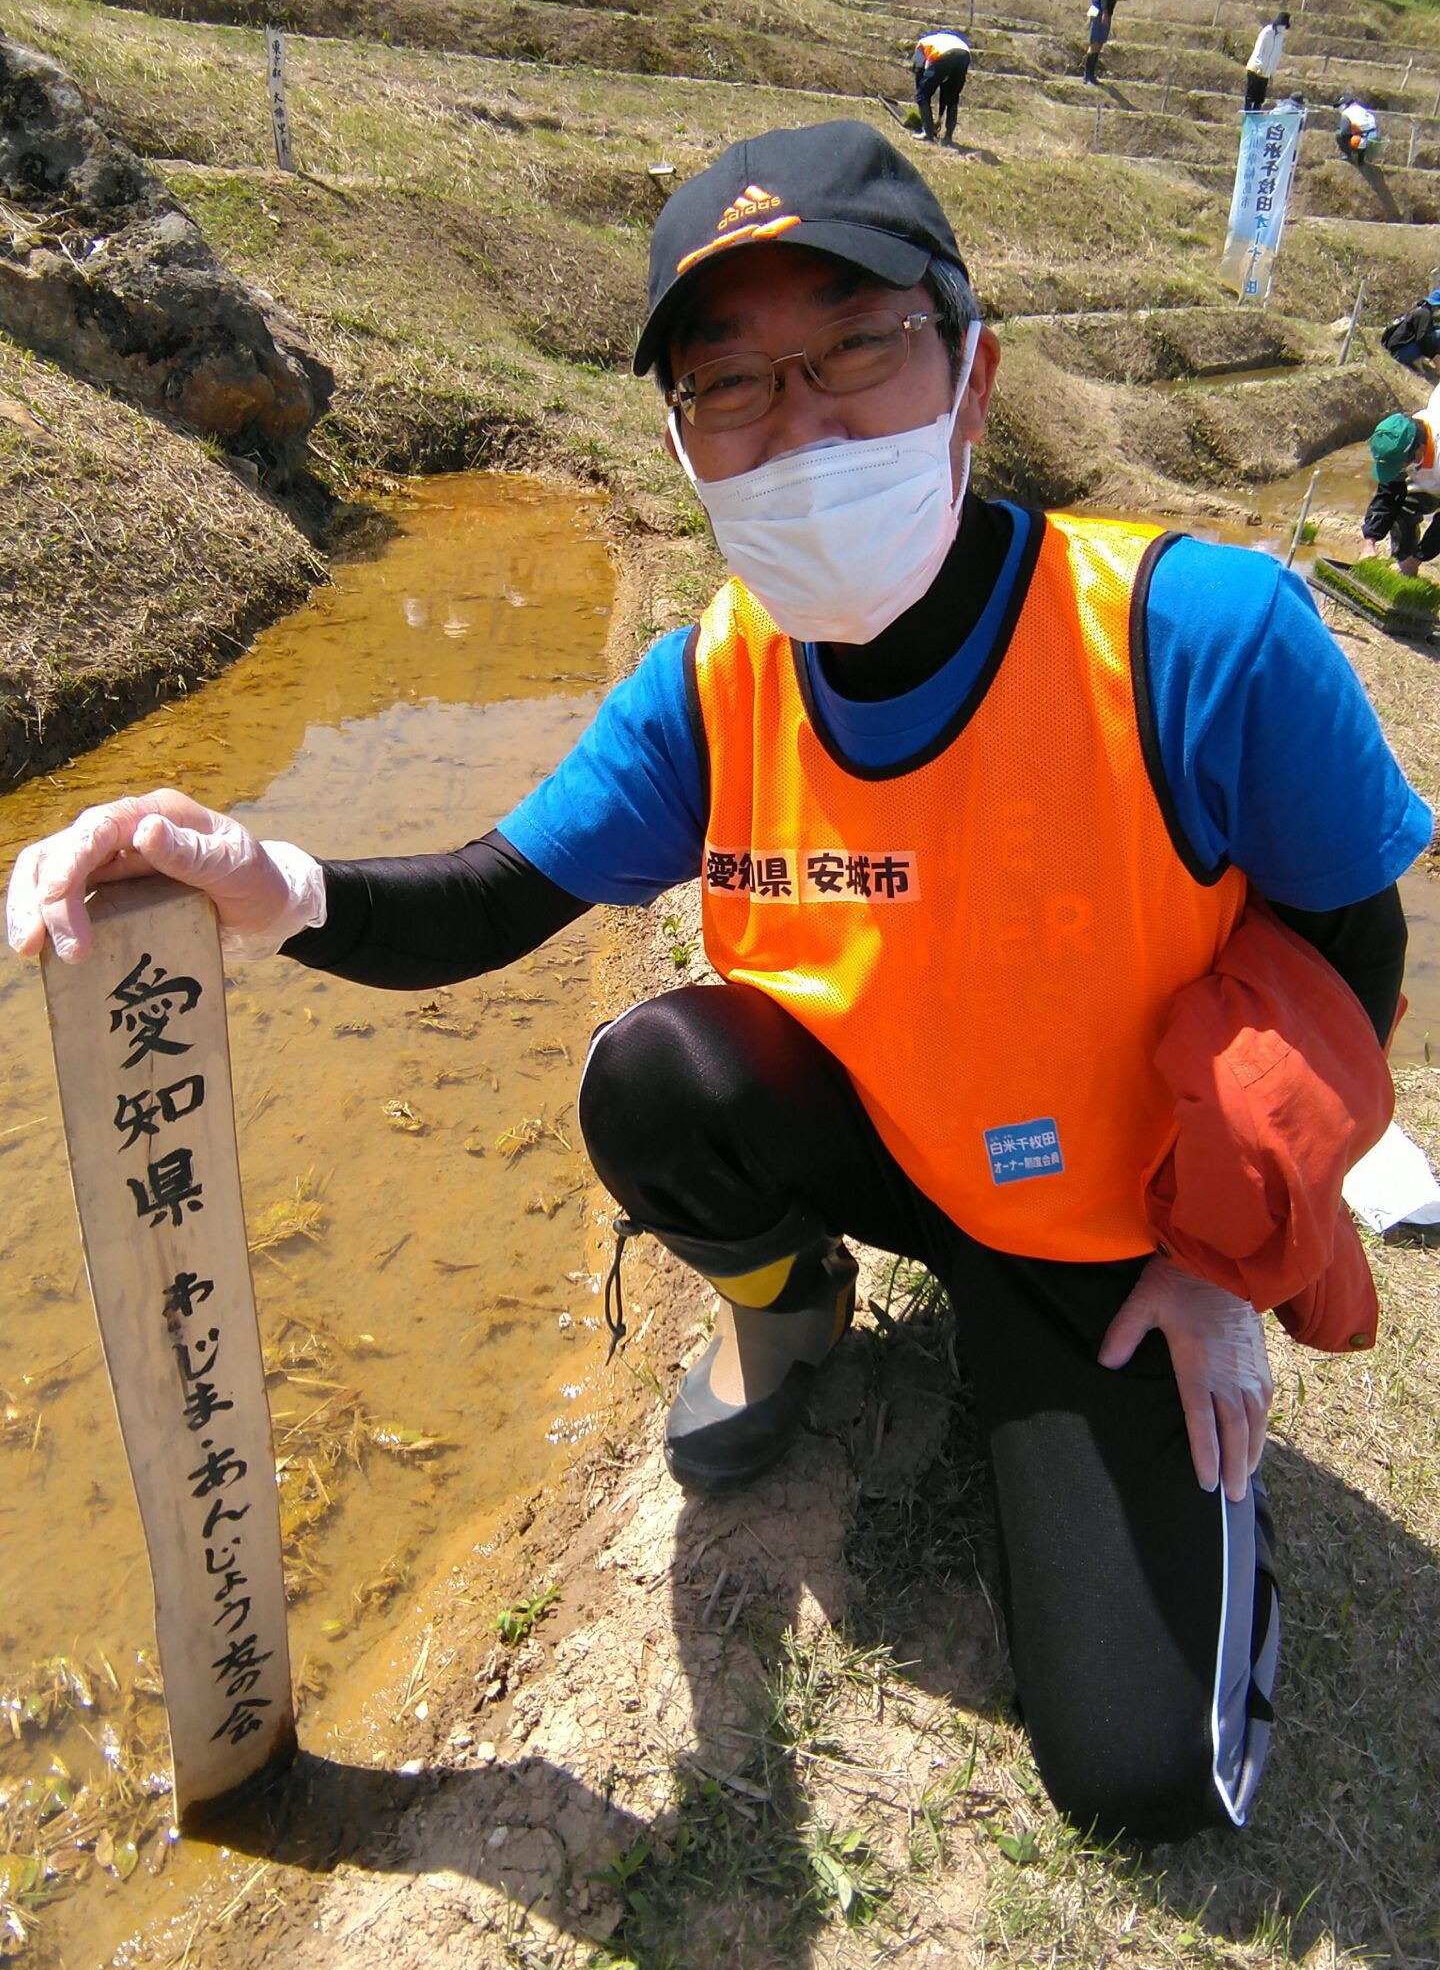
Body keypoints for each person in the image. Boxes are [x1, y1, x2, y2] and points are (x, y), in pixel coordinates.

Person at [11, 119, 1428, 1851]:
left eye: (853, 352)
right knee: (655, 1079)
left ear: (971, 379)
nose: (801, 423)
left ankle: (1080, 1377)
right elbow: (491, 895)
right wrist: (266, 883)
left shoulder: (1198, 638)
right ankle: (792, 1307)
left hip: (1112, 1219)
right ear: (684, 438)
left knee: (1142, 1780)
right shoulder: (715, 679)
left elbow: (1353, 944)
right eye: (733, 385)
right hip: (895, 1152)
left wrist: (1221, 1261)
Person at [1364, 400, 1440, 573]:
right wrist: (1369, 540)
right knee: (1404, 505)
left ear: (1420, 450)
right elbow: (1388, 493)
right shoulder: (1402, 437)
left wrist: (1418, 558)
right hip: (1432, 472)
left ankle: (1408, 565)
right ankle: (1402, 563)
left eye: (1401, 465)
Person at [912, 28, 971, 145]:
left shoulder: (921, 44)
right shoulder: (941, 39)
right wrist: (939, 117)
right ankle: (948, 137)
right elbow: (944, 83)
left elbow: (918, 69)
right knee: (952, 97)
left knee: (922, 94)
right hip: (965, 54)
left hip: (945, 55)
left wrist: (921, 93)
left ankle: (928, 133)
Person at [1084, 0, 1130, 86]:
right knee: (1095, 43)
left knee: (1098, 44)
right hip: (1100, 12)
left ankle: (1091, 75)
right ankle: (1088, 75)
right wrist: (1105, 12)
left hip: (1103, 11)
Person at [1380, 286, 1440, 375]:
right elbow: (1423, 337)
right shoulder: (1425, 314)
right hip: (1401, 352)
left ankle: (1419, 362)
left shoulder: (1420, 311)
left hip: (1397, 349)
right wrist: (1434, 356)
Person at [1244, 12, 1289, 112]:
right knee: (1251, 96)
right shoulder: (1267, 31)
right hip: (1256, 69)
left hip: (1266, 72)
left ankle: (1255, 117)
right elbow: (1259, 49)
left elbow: (1276, 55)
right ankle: (1247, 115)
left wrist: (1272, 72)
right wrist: (1259, 65)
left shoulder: (1280, 37)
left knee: (1259, 99)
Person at [1336, 97, 1380, 164]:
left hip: (1360, 140)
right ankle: (1361, 160)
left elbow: (1343, 132)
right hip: (1373, 139)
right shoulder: (1362, 110)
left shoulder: (1346, 113)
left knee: (1339, 134)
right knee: (1360, 132)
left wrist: (1345, 146)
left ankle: (1348, 156)